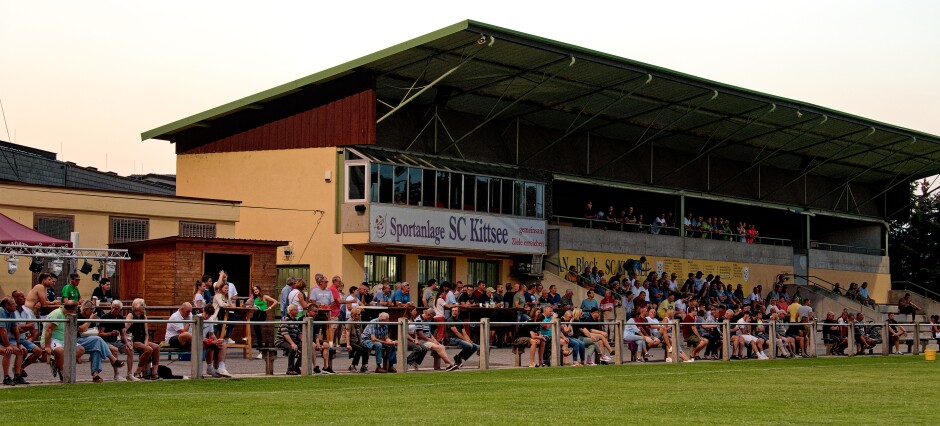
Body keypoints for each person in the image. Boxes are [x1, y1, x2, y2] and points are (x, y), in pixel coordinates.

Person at [76, 300, 125, 383]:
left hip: (89, 340)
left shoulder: (91, 316)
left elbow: (94, 331)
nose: (93, 311)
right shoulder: (78, 316)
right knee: (98, 340)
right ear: (85, 309)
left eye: (93, 309)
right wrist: (90, 320)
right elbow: (81, 329)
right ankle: (113, 360)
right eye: (91, 309)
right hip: (77, 340)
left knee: (96, 349)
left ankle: (96, 375)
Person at [99, 300, 135, 380]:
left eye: (116, 309)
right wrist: (111, 333)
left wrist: (127, 343)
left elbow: (123, 333)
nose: (113, 310)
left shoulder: (121, 318)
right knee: (115, 350)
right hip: (105, 341)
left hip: (116, 341)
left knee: (130, 350)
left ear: (120, 310)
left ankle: (129, 374)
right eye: (112, 308)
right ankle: (116, 374)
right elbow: (100, 333)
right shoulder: (104, 317)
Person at [126, 298, 161, 380]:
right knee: (148, 349)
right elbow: (125, 329)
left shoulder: (144, 317)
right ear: (137, 306)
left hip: (142, 339)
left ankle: (154, 372)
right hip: (133, 340)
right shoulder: (131, 315)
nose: (144, 306)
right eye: (142, 305)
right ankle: (138, 371)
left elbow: (146, 334)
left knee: (156, 347)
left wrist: (146, 342)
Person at [1, 297, 28, 385]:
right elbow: (2, 331)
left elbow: (15, 329)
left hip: (2, 341)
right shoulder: (1, 311)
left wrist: (19, 344)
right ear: (7, 305)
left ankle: (17, 375)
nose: (16, 305)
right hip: (1, 341)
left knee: (20, 351)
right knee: (7, 351)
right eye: (13, 304)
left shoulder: (11, 312)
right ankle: (6, 377)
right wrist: (8, 345)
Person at [199, 306, 231, 377]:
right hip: (197, 340)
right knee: (209, 347)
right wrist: (211, 341)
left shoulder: (210, 319)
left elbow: (212, 334)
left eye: (209, 314)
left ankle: (221, 367)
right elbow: (194, 335)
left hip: (205, 340)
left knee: (223, 344)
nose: (207, 316)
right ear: (203, 311)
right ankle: (210, 368)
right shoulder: (197, 318)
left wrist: (217, 341)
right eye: (206, 313)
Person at [249, 285, 279, 349]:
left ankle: (260, 347)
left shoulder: (264, 296)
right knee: (253, 326)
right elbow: (248, 303)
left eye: (256, 289)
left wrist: (269, 308)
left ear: (259, 290)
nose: (255, 291)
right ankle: (257, 345)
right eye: (254, 290)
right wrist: (250, 299)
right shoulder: (254, 298)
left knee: (256, 328)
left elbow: (275, 301)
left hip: (262, 314)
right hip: (256, 314)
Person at [344, 308, 370, 373]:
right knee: (360, 349)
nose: (360, 316)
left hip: (356, 340)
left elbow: (360, 332)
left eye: (360, 314)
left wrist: (361, 342)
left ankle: (364, 366)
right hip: (348, 340)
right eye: (358, 314)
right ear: (354, 315)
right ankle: (353, 365)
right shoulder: (349, 321)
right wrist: (348, 345)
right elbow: (347, 333)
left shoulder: (359, 321)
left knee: (366, 348)